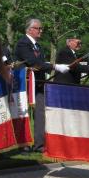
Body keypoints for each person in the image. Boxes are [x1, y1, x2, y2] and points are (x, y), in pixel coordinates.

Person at [14, 18, 69, 152]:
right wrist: (56, 66)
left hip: (38, 83)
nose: (41, 31)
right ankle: (23, 144)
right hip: (25, 85)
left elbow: (41, 63)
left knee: (40, 114)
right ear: (30, 29)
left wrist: (51, 69)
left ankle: (39, 144)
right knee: (23, 114)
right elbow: (33, 62)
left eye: (40, 28)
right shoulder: (23, 43)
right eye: (38, 28)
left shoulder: (37, 45)